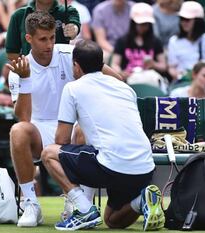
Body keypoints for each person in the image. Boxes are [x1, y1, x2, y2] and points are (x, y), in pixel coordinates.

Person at [6, 11, 121, 227]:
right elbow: (24, 118)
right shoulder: (19, 69)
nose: (49, 44)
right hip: (39, 132)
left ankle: (82, 204)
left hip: (72, 129)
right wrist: (26, 79)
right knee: (18, 131)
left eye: (51, 37)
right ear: (29, 39)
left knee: (85, 128)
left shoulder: (70, 54)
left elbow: (117, 80)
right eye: (42, 39)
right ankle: (31, 204)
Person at [41, 40, 164, 231]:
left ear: (76, 65)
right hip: (144, 169)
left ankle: (84, 209)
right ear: (102, 65)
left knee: (49, 153)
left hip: (112, 167)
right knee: (113, 220)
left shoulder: (73, 88)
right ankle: (143, 200)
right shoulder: (126, 89)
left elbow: (62, 141)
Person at [5, 0, 81, 61]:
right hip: (31, 71)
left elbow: (74, 23)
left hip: (60, 70)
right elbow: (11, 52)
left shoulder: (68, 11)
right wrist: (28, 69)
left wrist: (73, 29)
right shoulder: (18, 15)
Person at [111, 2, 166, 79]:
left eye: (146, 24)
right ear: (133, 23)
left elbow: (163, 66)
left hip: (149, 79)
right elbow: (114, 64)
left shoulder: (156, 41)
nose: (143, 27)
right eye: (140, 24)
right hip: (128, 78)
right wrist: (120, 73)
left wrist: (153, 64)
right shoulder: (122, 41)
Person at [167, 1, 205, 81]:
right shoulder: (174, 41)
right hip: (181, 82)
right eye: (182, 19)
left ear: (198, 21)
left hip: (204, 82)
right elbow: (171, 68)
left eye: (187, 20)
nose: (183, 22)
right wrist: (180, 77)